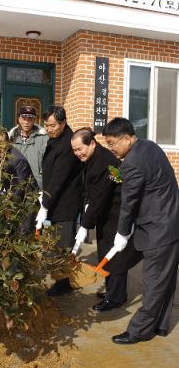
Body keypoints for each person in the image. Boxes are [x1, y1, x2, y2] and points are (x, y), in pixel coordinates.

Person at [102, 117, 179, 344]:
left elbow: (129, 202)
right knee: (166, 278)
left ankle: (139, 331)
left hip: (159, 229)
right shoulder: (149, 146)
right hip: (170, 221)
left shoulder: (132, 162)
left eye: (112, 143)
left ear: (127, 138)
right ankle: (160, 325)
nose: (111, 149)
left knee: (154, 281)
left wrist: (122, 233)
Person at [71, 128, 142, 311]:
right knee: (105, 251)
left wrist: (85, 224)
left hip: (117, 213)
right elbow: (90, 190)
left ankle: (116, 297)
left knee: (117, 256)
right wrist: (86, 207)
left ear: (92, 143)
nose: (77, 153)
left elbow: (101, 196)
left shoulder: (104, 162)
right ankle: (111, 290)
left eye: (80, 149)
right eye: (75, 150)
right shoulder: (92, 158)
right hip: (104, 213)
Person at [36, 105, 83, 296]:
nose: (49, 129)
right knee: (54, 245)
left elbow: (58, 180)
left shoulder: (67, 145)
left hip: (65, 204)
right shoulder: (55, 139)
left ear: (63, 123)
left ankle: (64, 284)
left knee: (63, 246)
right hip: (54, 200)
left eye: (53, 125)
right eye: (46, 125)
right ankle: (60, 279)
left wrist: (44, 205)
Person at [9, 105, 48, 189]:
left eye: (30, 119)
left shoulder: (44, 138)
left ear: (34, 120)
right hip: (16, 187)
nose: (26, 122)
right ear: (19, 119)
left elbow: (48, 164)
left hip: (37, 187)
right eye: (24, 118)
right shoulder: (11, 138)